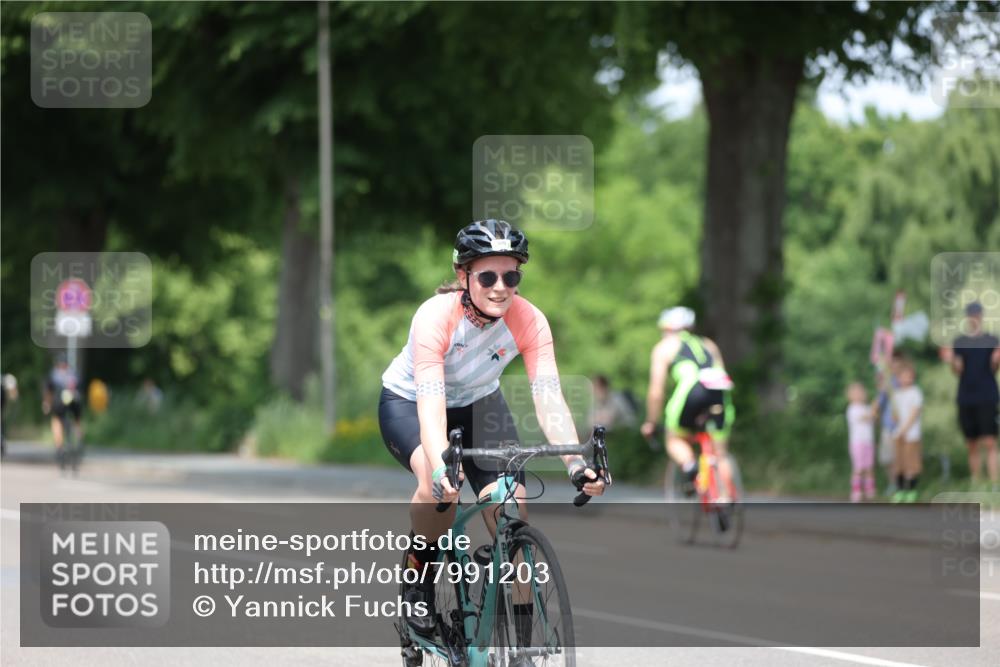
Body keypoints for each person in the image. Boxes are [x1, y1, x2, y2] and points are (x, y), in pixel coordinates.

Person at [378, 219, 606, 642]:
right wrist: (442, 467)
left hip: (480, 405)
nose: (501, 288)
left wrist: (575, 463)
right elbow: (432, 405)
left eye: (511, 277)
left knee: (511, 507)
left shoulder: (529, 320)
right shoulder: (434, 317)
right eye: (488, 277)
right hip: (411, 403)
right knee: (437, 487)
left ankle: (520, 645)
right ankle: (418, 581)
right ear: (463, 275)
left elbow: (549, 398)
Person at [641, 306, 735, 501]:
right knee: (720, 453)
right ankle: (726, 498)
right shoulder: (708, 344)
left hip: (691, 393)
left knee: (674, 439)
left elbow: (656, 392)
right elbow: (722, 373)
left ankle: (690, 466)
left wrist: (651, 422)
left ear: (667, 328)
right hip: (718, 393)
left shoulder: (664, 347)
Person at [949, 302, 999, 490]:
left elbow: (994, 368)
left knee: (990, 441)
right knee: (971, 442)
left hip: (987, 396)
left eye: (977, 314)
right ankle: (976, 482)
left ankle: (994, 483)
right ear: (968, 317)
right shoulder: (959, 342)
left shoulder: (992, 340)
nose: (974, 318)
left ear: (981, 316)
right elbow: (957, 370)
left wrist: (996, 359)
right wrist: (952, 361)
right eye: (972, 315)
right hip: (966, 397)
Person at [891, 362, 923, 503]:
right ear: (898, 378)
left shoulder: (915, 392)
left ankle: (911, 491)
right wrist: (895, 417)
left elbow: (914, 413)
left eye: (909, 376)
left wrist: (904, 429)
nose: (906, 379)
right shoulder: (896, 394)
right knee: (899, 464)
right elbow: (895, 416)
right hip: (898, 435)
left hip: (911, 435)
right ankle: (900, 490)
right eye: (903, 376)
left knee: (911, 464)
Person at [42, 353, 83, 462]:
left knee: (56, 420)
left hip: (59, 403)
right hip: (75, 402)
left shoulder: (54, 374)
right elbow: (80, 388)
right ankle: (79, 440)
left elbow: (48, 391)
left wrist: (46, 404)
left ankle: (59, 447)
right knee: (77, 420)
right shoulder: (74, 374)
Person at [845, 382, 878, 502]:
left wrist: (874, 410)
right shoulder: (852, 409)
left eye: (861, 392)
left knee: (869, 467)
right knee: (858, 468)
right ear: (850, 396)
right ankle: (856, 490)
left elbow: (874, 419)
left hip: (868, 442)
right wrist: (873, 409)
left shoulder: (866, 408)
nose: (859, 395)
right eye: (856, 393)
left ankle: (869, 490)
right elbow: (865, 417)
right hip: (857, 442)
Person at [1, 373, 19, 458]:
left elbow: (13, 394)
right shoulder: (7, 378)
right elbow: (14, 396)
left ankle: (2, 440)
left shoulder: (6, 378)